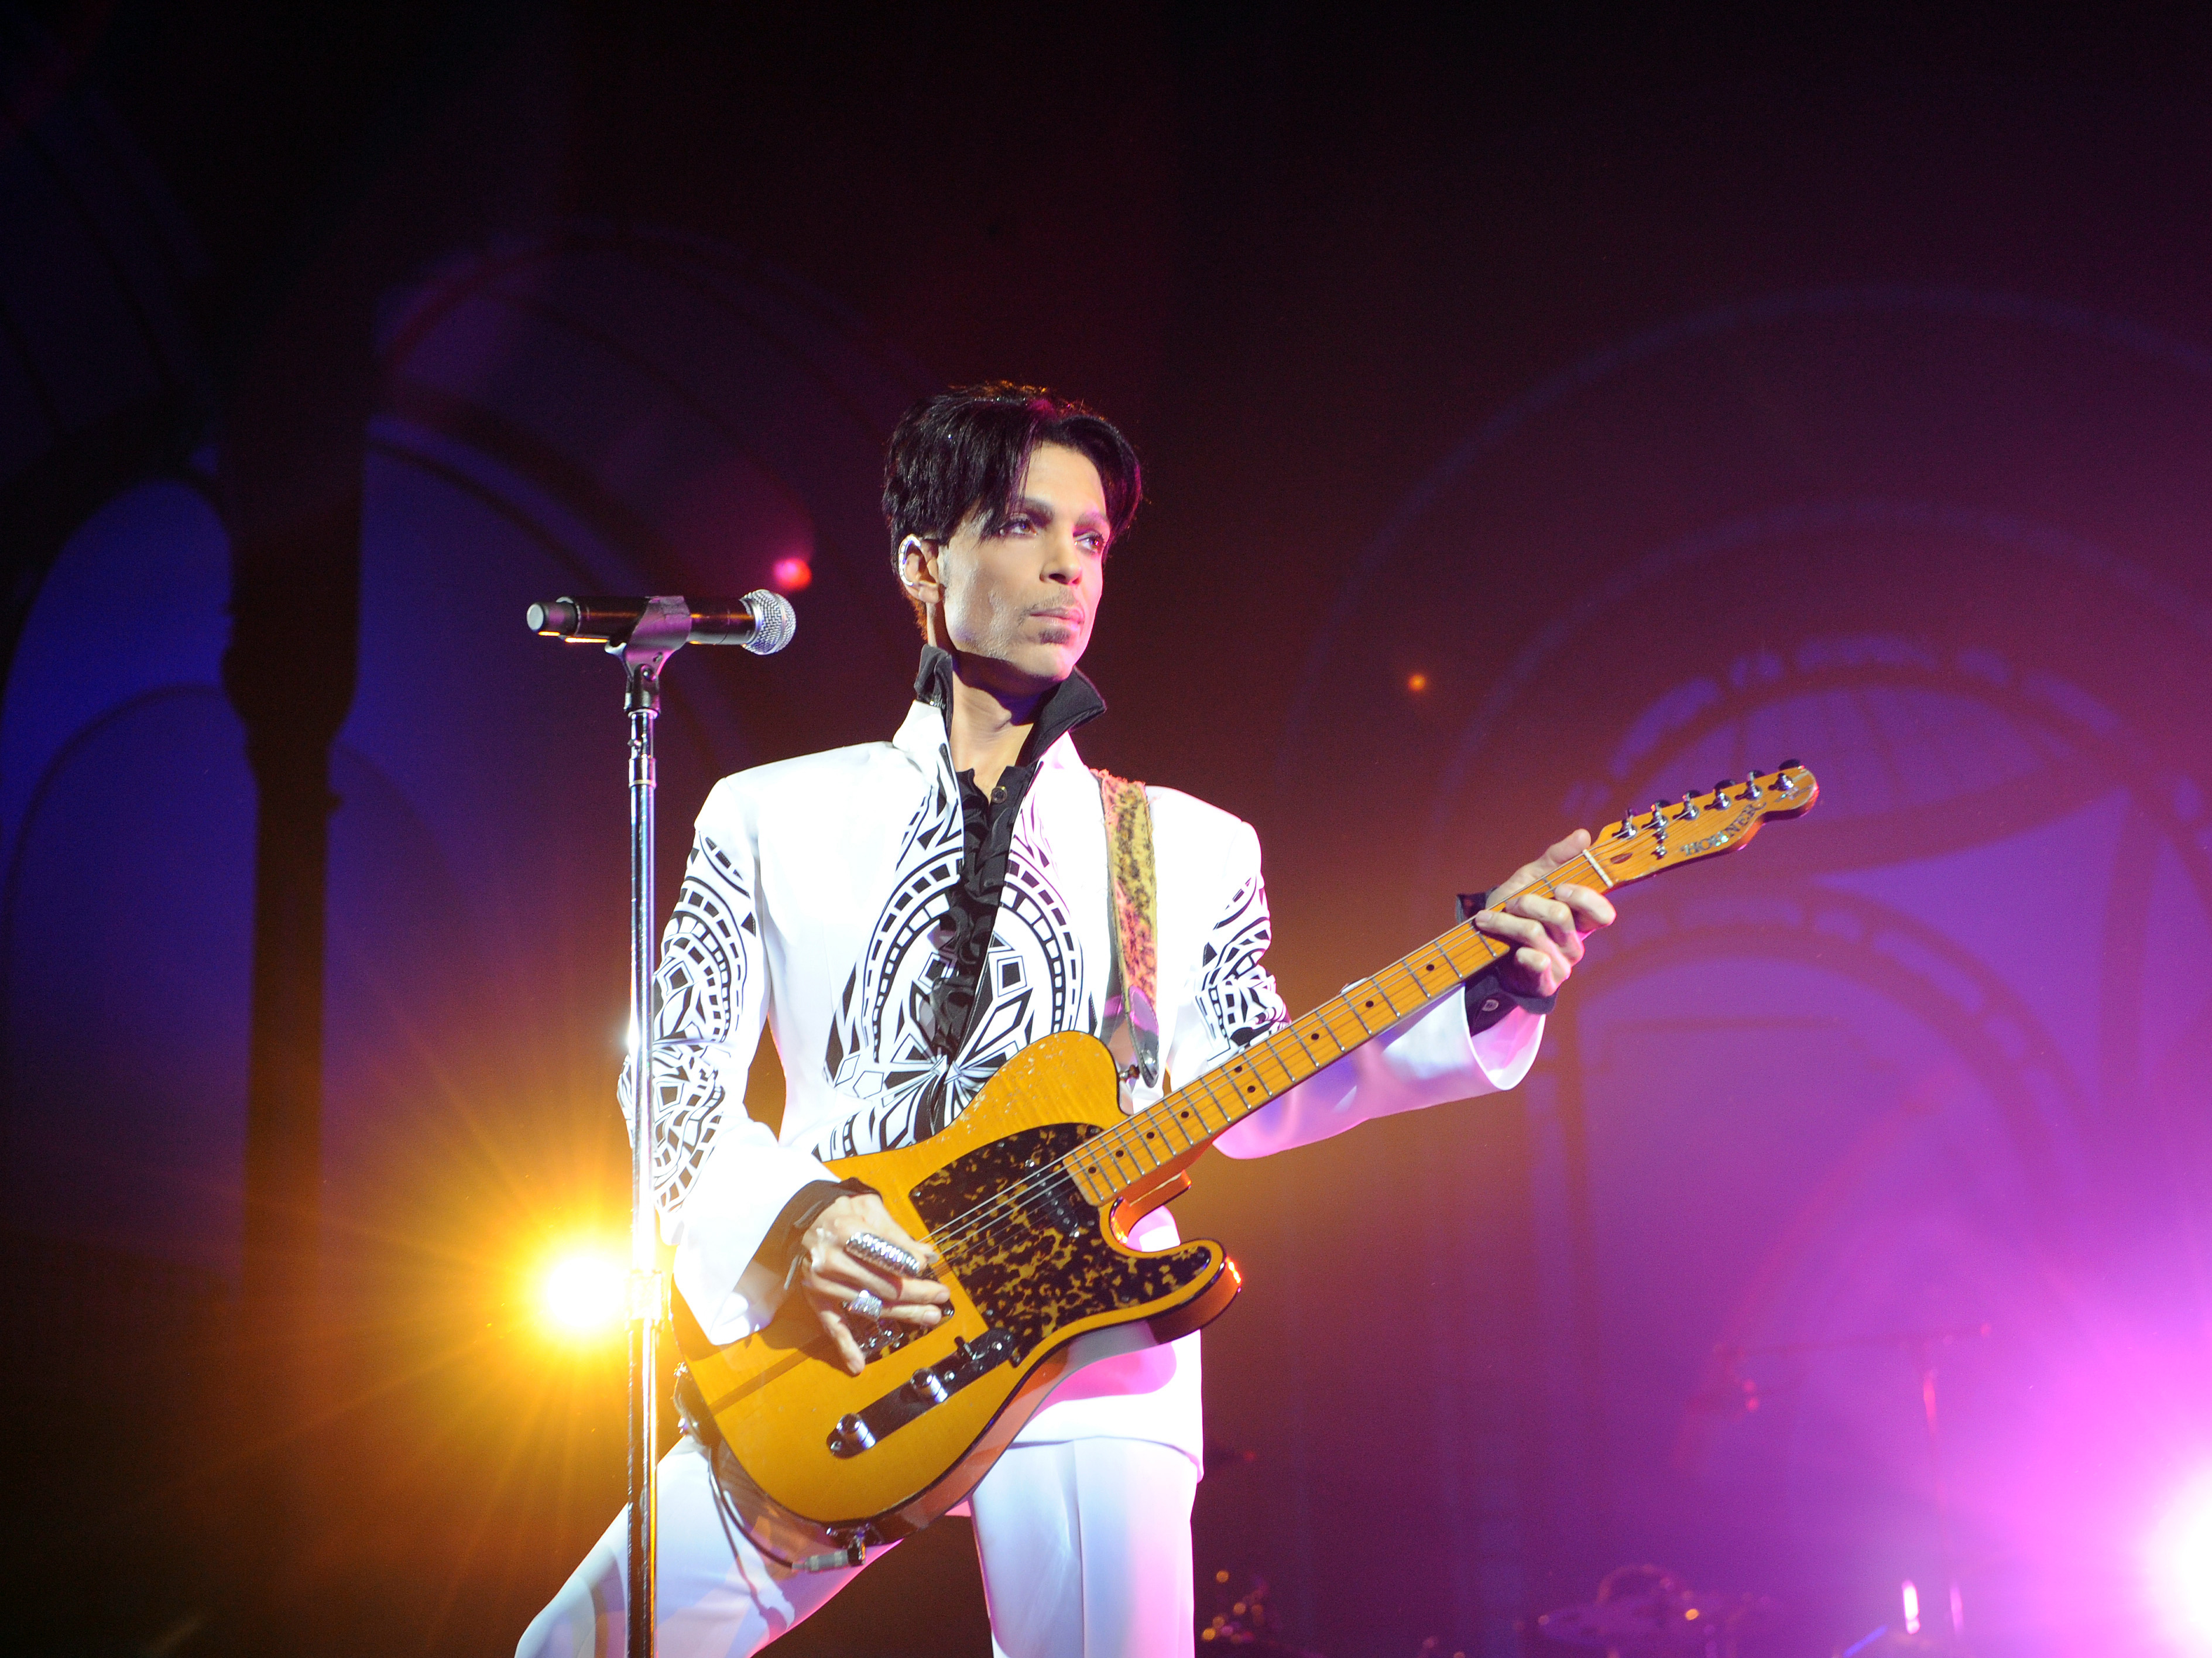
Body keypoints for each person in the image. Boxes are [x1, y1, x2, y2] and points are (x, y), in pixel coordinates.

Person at [517, 385, 1616, 1658]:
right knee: (574, 1650)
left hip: (1090, 1348)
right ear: (922, 565)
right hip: (842, 1331)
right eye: (1022, 525)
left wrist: (1493, 987)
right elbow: (670, 1077)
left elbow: (1265, 1081)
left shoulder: (1188, 847)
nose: (1068, 567)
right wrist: (798, 1223)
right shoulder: (769, 815)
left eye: (1090, 539)